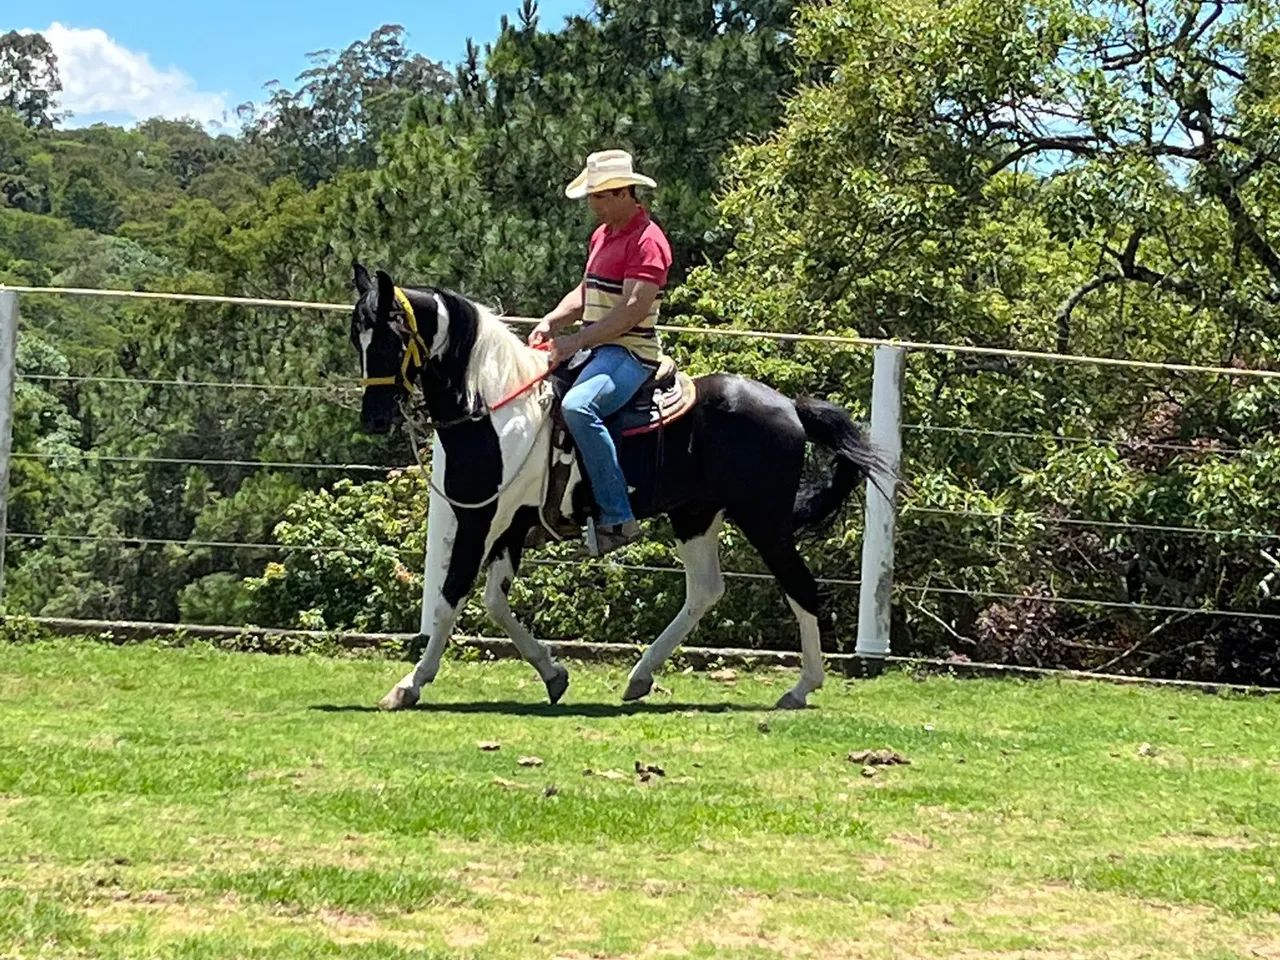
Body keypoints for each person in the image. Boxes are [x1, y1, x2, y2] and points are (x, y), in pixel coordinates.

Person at [529, 149, 673, 555]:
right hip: (598, 351)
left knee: (577, 407)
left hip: (631, 354)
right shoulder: (603, 234)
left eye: (598, 196)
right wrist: (552, 320)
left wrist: (574, 341)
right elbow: (586, 292)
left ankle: (617, 516)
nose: (592, 204)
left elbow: (632, 312)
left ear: (622, 193)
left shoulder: (649, 242)